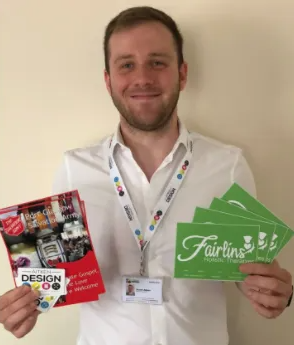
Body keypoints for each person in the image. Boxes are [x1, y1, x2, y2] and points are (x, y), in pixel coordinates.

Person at [0, 6, 293, 345]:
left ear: (182, 74)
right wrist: (24, 307)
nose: (142, 78)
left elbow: (244, 270)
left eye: (157, 62)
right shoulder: (74, 169)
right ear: (108, 80)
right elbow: (56, 277)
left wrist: (270, 291)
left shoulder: (228, 166)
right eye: (127, 65)